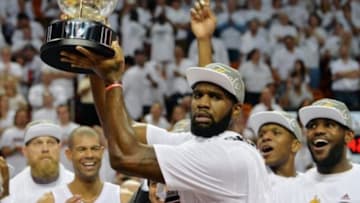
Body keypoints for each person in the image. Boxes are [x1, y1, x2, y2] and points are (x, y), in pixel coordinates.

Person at [59, 1, 270, 202]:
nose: (203, 103)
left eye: (215, 97)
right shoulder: (203, 144)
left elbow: (124, 155)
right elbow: (121, 133)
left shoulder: (226, 157)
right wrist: (97, 66)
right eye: (197, 95)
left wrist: (113, 80)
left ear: (236, 111)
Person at [274, 98, 360, 202]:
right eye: (312, 126)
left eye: (329, 124)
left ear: (348, 136)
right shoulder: (294, 189)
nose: (318, 131)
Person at [37, 126, 123, 203]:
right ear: (69, 154)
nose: (89, 155)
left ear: (101, 152)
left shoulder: (123, 198)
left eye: (94, 148)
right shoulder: (49, 200)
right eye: (81, 149)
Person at [1, 120, 74, 203]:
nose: (45, 149)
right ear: (25, 151)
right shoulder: (12, 189)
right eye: (38, 143)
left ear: (59, 148)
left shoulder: (79, 185)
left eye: (50, 142)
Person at [248, 111, 302, 187]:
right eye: (261, 135)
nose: (265, 138)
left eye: (276, 133)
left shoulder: (310, 185)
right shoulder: (251, 185)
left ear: (295, 145)